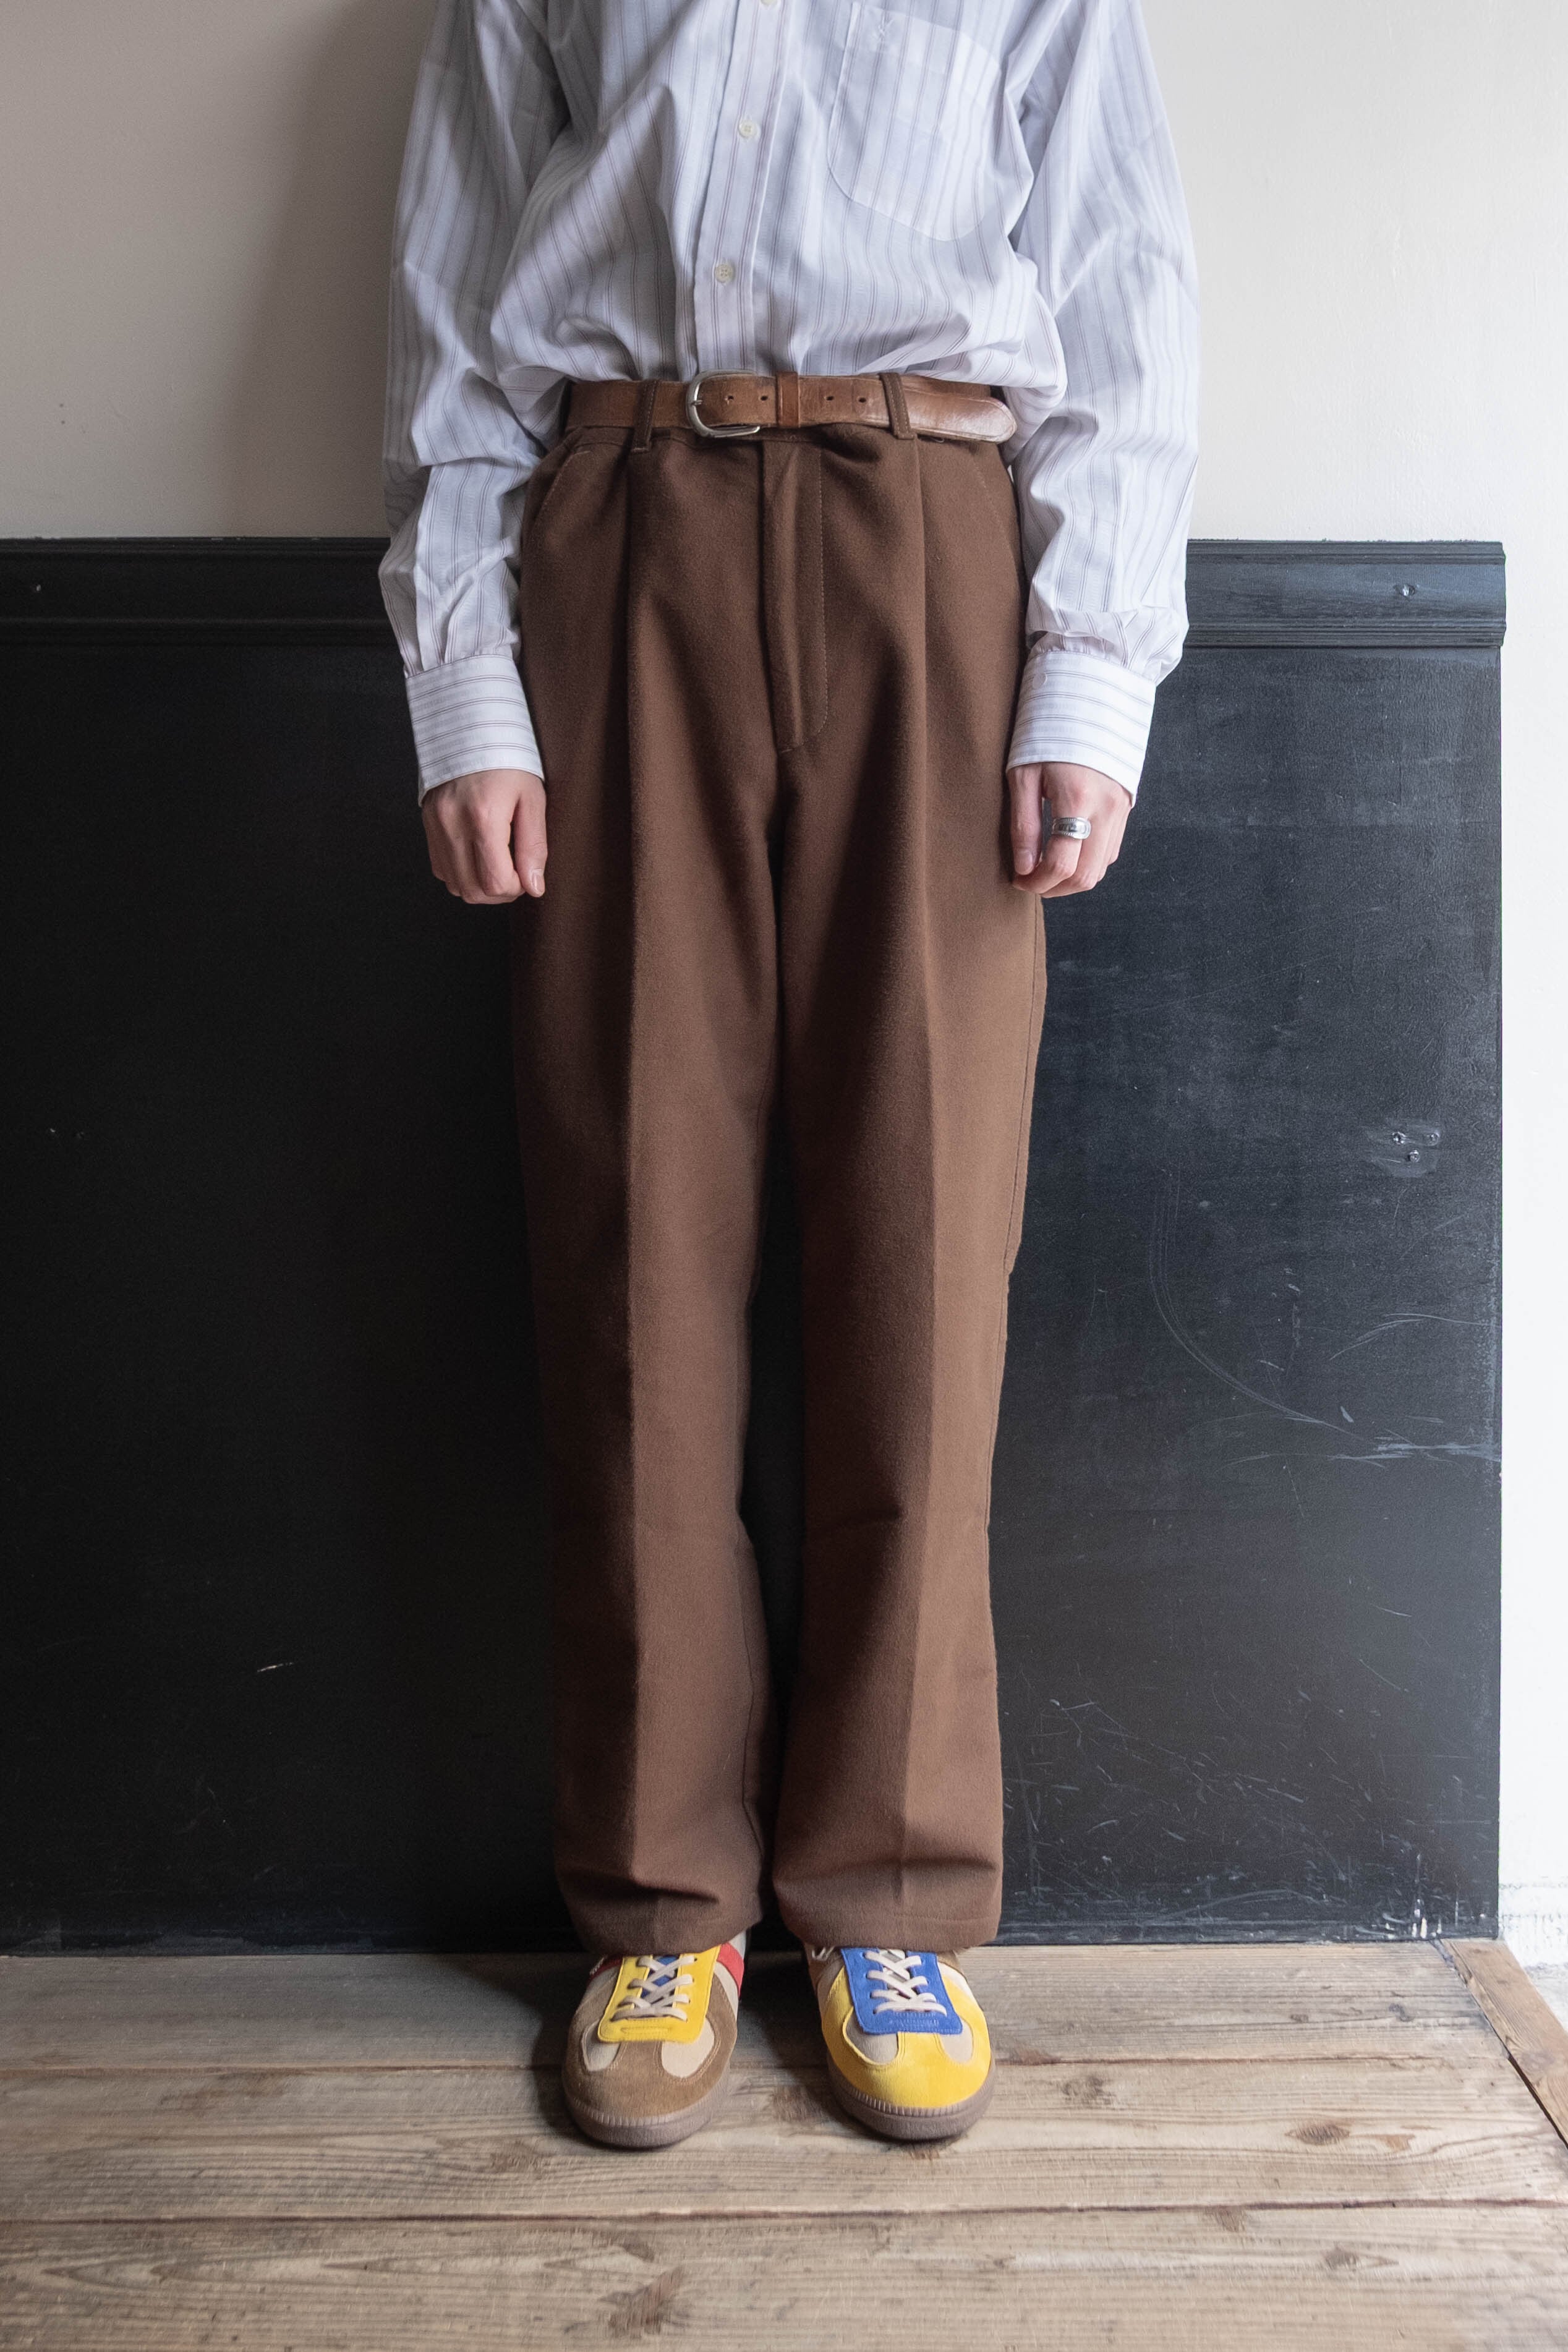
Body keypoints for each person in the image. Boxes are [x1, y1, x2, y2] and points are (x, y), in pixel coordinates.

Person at [381, 0, 1198, 2149]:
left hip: (935, 531)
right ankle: (666, 1898)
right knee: (632, 1233)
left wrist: (1093, 671)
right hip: (617, 522)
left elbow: (1124, 290)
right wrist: (467, 681)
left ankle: (890, 1890)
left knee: (926, 1235)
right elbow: (453, 301)